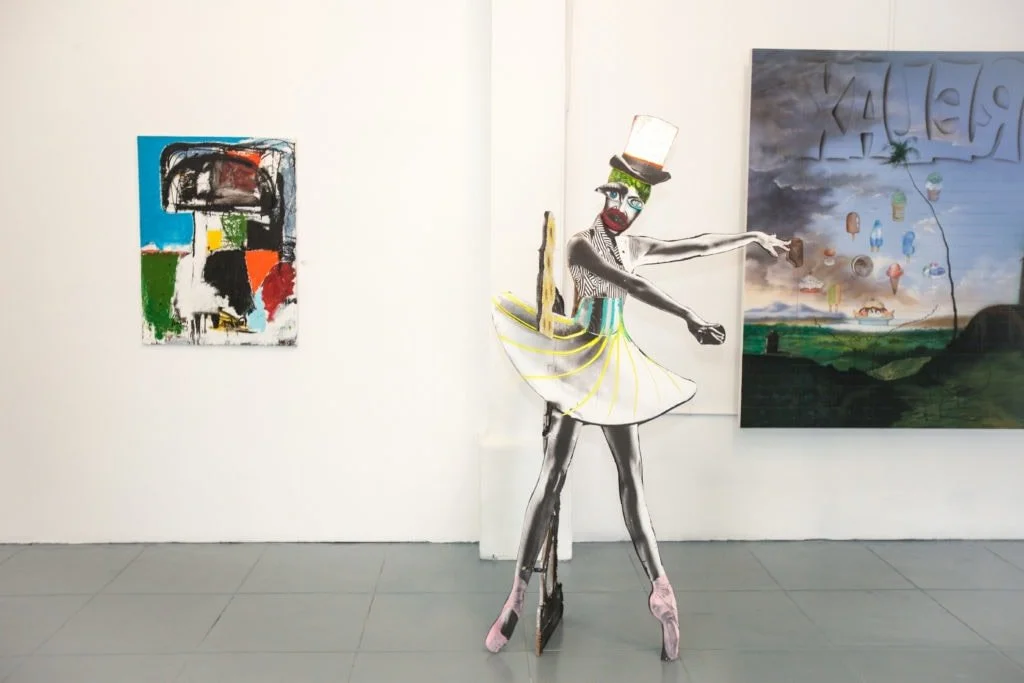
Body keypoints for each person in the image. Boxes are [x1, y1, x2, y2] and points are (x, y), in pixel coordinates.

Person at [486, 115, 789, 661]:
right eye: (617, 195)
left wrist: (750, 237)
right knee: (552, 474)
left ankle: (661, 589)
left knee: (632, 478)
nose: (622, 208)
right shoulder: (581, 245)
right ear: (604, 191)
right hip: (578, 358)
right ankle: (517, 595)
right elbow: (632, 285)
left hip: (613, 362)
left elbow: (695, 244)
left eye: (634, 203)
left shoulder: (634, 244)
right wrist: (689, 315)